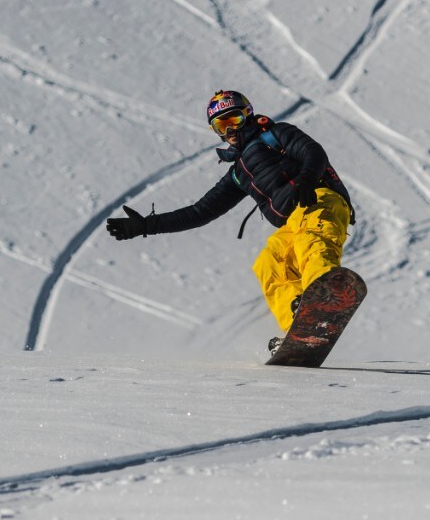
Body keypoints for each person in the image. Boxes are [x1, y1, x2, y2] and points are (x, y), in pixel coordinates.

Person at [106, 90, 354, 349]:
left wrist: (306, 179)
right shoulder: (238, 174)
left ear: (247, 115)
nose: (230, 130)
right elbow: (200, 212)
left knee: (311, 243)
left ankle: (325, 304)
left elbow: (313, 151)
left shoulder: (276, 134)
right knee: (268, 264)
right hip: (292, 221)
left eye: (233, 120)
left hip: (318, 201)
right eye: (221, 126)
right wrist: (146, 225)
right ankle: (301, 329)